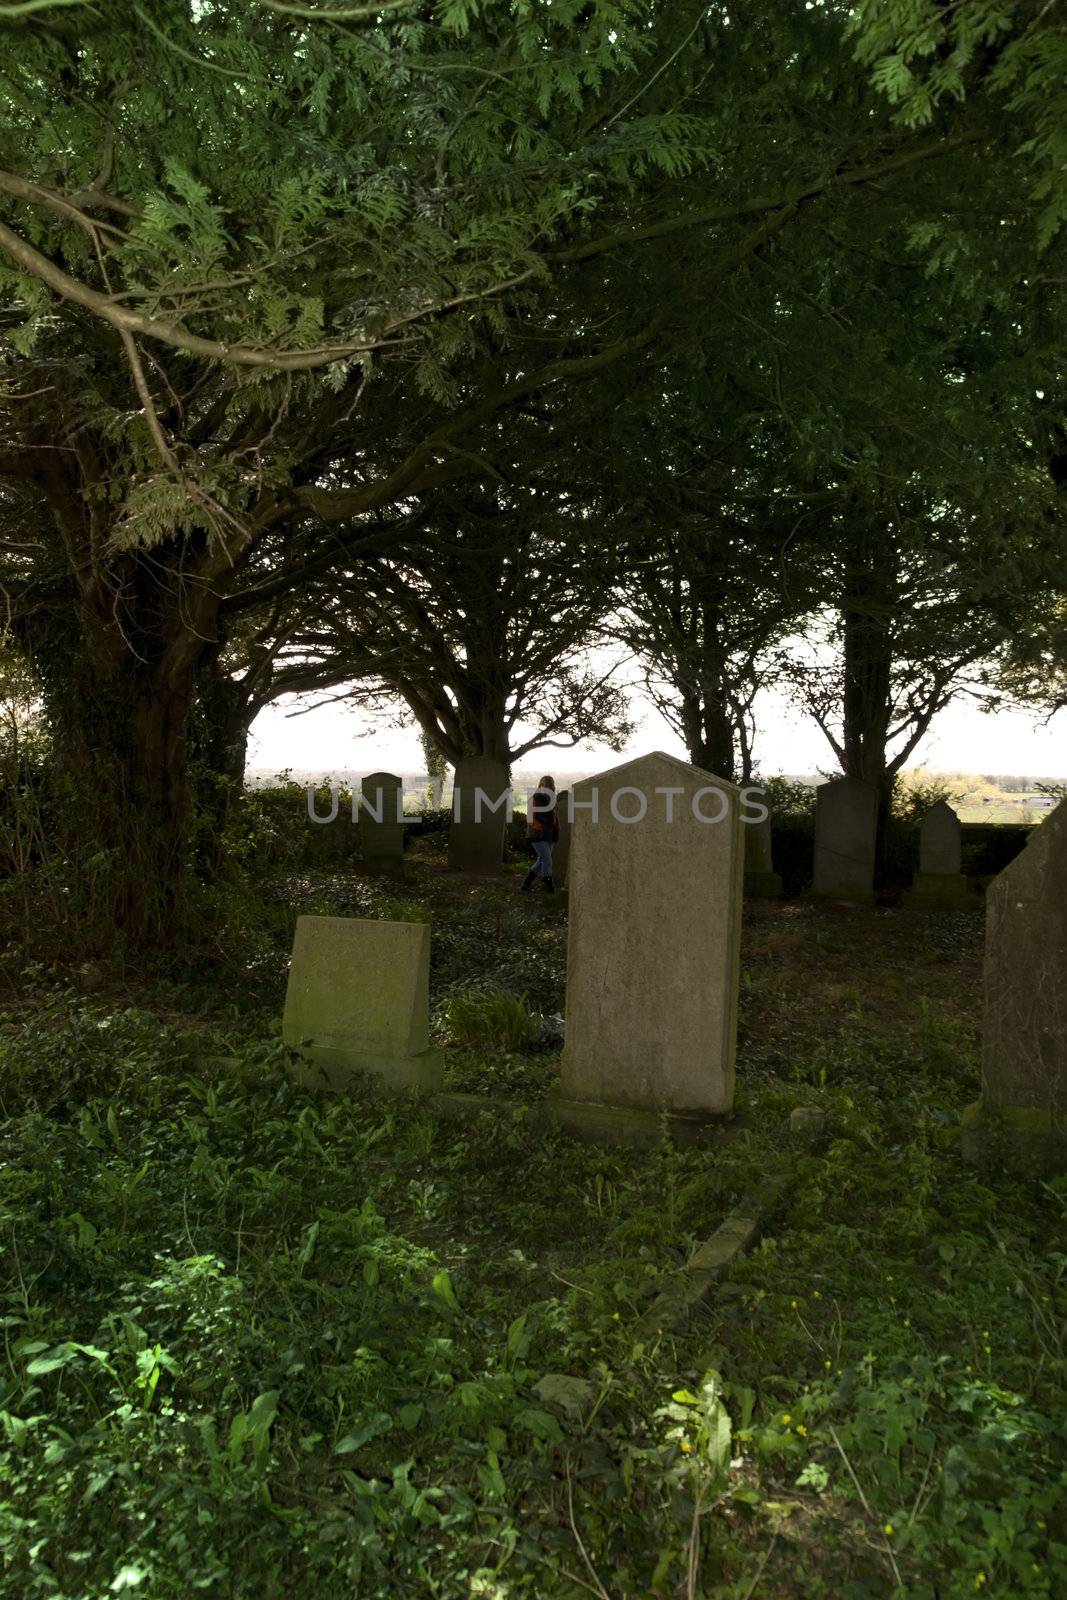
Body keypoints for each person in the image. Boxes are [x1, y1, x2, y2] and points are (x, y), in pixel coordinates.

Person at [521, 775, 558, 893]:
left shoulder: (553, 799)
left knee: (542, 859)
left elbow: (555, 817)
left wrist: (556, 831)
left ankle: (526, 884)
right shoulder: (535, 798)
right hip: (537, 835)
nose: (547, 788)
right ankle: (549, 888)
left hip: (550, 835)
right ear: (540, 786)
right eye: (545, 785)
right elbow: (530, 819)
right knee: (547, 860)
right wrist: (542, 828)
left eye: (549, 786)